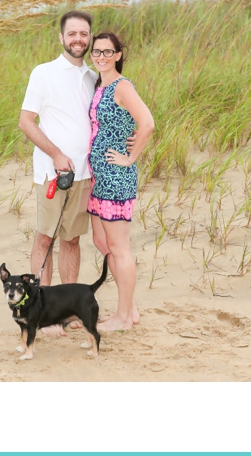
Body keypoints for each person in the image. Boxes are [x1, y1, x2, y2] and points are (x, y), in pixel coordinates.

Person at [19, 10, 98, 336]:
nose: (78, 39)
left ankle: (68, 310)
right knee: (45, 239)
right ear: (61, 37)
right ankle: (41, 312)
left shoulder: (93, 76)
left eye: (84, 34)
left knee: (72, 240)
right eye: (72, 33)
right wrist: (55, 154)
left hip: (84, 175)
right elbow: (26, 121)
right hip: (53, 175)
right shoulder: (44, 73)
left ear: (89, 37)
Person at [87, 31, 154, 331]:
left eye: (107, 52)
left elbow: (148, 123)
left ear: (118, 55)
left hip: (116, 176)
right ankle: (131, 306)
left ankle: (124, 317)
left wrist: (130, 158)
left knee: (119, 246)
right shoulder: (100, 85)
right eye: (96, 52)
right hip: (98, 177)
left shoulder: (122, 86)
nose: (101, 56)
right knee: (102, 241)